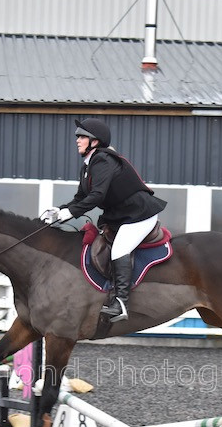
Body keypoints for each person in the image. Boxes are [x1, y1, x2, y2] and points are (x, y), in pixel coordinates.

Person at [40, 118, 167, 322]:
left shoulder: (103, 160)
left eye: (82, 137)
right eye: (78, 137)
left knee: (119, 250)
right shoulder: (88, 166)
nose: (77, 140)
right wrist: (59, 210)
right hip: (121, 216)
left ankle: (121, 303)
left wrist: (70, 213)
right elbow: (81, 198)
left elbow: (97, 196)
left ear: (95, 141)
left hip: (139, 215)